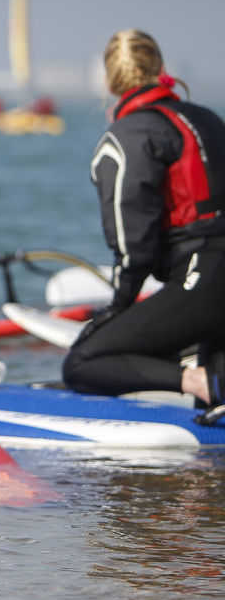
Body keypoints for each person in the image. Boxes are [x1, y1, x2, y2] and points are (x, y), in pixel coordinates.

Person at [62, 29, 225, 424]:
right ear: (160, 68)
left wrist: (117, 306)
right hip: (208, 287)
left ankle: (202, 382)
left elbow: (133, 245)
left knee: (84, 361)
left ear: (111, 82)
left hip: (205, 279)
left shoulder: (125, 137)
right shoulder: (208, 117)